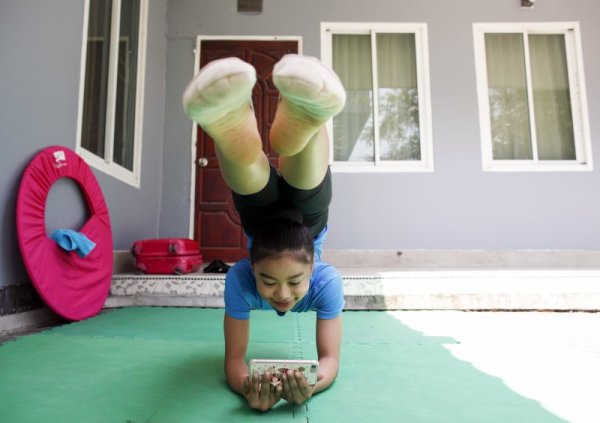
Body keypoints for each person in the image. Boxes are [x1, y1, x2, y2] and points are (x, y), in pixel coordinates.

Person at [182, 54, 346, 411]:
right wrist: (248, 388)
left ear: (311, 270)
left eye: (294, 282)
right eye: (268, 282)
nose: (282, 294)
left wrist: (310, 385)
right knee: (307, 181)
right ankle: (303, 118)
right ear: (253, 268)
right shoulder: (311, 281)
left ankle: (231, 126)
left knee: (248, 180)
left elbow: (330, 360)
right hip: (308, 225)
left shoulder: (313, 280)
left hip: (262, 225)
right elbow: (234, 362)